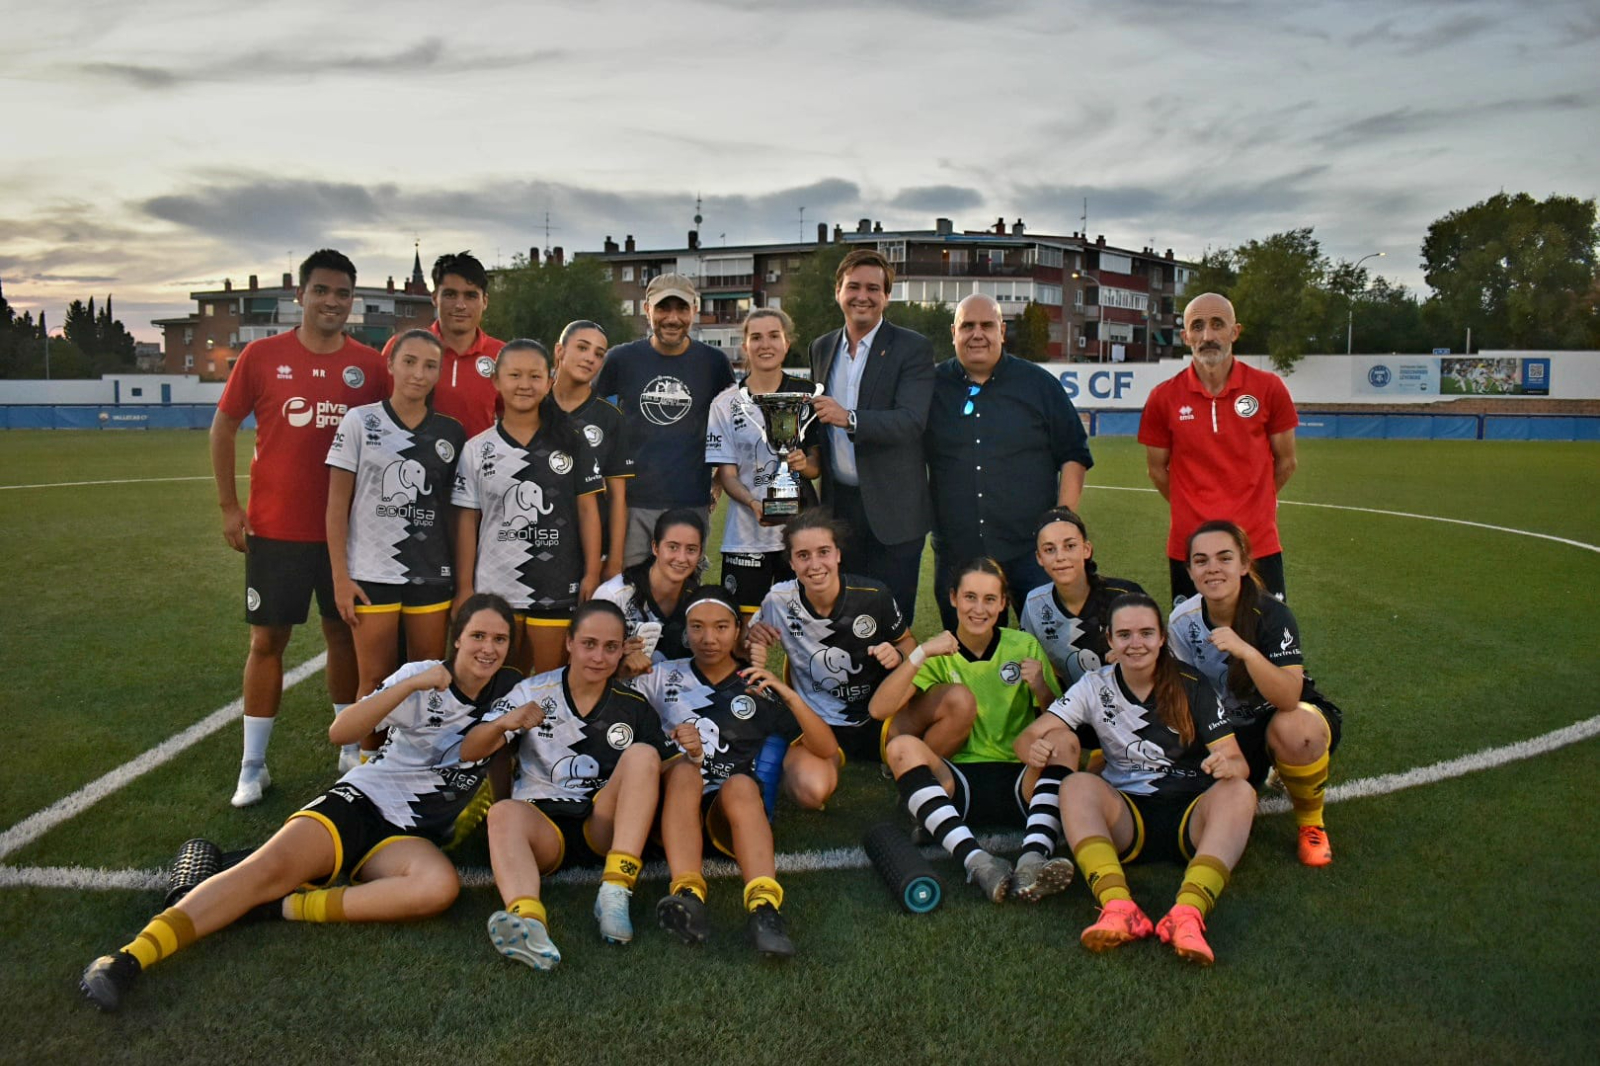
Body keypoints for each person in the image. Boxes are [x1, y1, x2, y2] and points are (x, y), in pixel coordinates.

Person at [79, 594, 524, 1011]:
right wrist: (412, 684)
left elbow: (498, 755)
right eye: (478, 636)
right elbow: (342, 732)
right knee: (266, 871)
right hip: (365, 800)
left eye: (499, 639)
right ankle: (128, 958)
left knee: (437, 889)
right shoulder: (424, 677)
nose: (488, 648)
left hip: (408, 834)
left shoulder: (511, 691)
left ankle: (277, 906)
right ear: (458, 638)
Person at [210, 248, 389, 807]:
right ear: (301, 295)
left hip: (348, 535)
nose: (332, 301)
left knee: (343, 634)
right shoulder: (262, 356)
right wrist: (229, 508)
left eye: (342, 293)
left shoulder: (372, 365)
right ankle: (253, 765)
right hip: (276, 530)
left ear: (352, 302)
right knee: (268, 640)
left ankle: (348, 753)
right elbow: (223, 428)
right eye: (322, 291)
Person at [1012, 592, 1257, 965]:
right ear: (1109, 640)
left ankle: (1188, 914)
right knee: (1076, 784)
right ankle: (1118, 907)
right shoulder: (1094, 685)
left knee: (1240, 791)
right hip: (1127, 817)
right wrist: (1032, 749)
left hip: (1192, 816)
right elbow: (1030, 736)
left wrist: (1227, 766)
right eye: (1124, 635)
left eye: (1146, 633)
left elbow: (1238, 763)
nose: (1136, 643)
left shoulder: (1192, 684)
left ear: (1162, 638)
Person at [460, 601, 669, 968]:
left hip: (602, 826)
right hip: (542, 827)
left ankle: (615, 891)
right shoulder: (530, 691)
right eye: (588, 644)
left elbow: (659, 774)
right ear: (569, 642)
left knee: (643, 756)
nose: (599, 657)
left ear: (623, 649)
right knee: (503, 811)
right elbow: (470, 749)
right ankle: (530, 926)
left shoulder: (633, 705)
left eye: (610, 647)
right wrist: (504, 723)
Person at [633, 586, 838, 958]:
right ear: (685, 631)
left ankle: (764, 908)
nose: (708, 638)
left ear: (738, 630)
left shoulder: (756, 685)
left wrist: (787, 693)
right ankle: (688, 895)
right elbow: (614, 720)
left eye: (721, 627)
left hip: (731, 819)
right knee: (684, 772)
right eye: (697, 627)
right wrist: (622, 667)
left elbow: (826, 750)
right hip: (673, 813)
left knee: (742, 783)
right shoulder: (661, 676)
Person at [876, 559, 1061, 903]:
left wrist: (1040, 688)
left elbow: (1060, 719)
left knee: (1064, 740)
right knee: (901, 747)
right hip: (957, 784)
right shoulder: (940, 654)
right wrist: (919, 653)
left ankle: (1033, 858)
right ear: (953, 599)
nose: (979, 609)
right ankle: (978, 863)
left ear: (1004, 603)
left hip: (1021, 782)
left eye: (990, 599)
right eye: (970, 597)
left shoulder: (1024, 646)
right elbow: (879, 710)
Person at [325, 328, 468, 769]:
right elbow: (336, 504)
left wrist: (462, 582)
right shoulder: (360, 422)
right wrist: (340, 577)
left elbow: (456, 514)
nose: (418, 373)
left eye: (430, 365)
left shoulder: (451, 432)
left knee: (427, 678)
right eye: (409, 362)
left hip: (431, 574)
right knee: (374, 678)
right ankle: (366, 766)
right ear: (390, 364)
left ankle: (417, 763)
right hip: (372, 573)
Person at [1167, 520, 1342, 867]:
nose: (1212, 568)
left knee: (1296, 731)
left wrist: (1246, 651)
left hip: (1281, 717)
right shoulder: (1181, 622)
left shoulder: (1273, 615)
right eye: (1201, 560)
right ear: (1189, 571)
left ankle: (1311, 824)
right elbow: (1186, 694)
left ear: (1244, 565)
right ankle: (1258, 772)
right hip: (1227, 730)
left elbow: (1289, 698)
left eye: (1224, 557)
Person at [924, 294, 1092, 631]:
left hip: (1030, 551)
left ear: (1002, 331)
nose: (977, 334)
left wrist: (1060, 523)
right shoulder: (929, 387)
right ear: (953, 332)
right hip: (958, 552)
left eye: (986, 325)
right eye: (967, 326)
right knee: (971, 657)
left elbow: (1074, 453)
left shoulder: (1039, 384)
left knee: (1050, 651)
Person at [746, 510, 917, 808]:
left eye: (823, 552)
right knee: (810, 792)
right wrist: (754, 641)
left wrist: (898, 653)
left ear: (837, 554)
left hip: (878, 715)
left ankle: (901, 764)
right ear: (791, 562)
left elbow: (908, 642)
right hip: (815, 725)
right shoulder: (778, 600)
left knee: (954, 702)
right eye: (803, 555)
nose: (814, 565)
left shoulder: (874, 595)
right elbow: (749, 642)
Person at [452, 340, 602, 675]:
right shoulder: (478, 449)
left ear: (549, 381)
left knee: (549, 683)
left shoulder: (572, 439)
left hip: (557, 582)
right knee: (499, 685)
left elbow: (588, 510)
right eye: (514, 375)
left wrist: (592, 572)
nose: (524, 384)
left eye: (534, 376)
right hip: (496, 585)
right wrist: (465, 586)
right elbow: (466, 521)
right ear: (496, 381)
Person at [1138, 292, 1298, 603]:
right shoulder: (1164, 397)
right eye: (1197, 327)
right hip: (1191, 545)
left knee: (1265, 641)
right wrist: (1190, 505)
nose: (1207, 336)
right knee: (1195, 645)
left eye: (1217, 325)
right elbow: (1157, 469)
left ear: (1234, 332)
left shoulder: (1269, 389)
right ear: (1185, 336)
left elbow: (1287, 462)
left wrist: (1256, 502)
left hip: (1257, 544)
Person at [807, 248, 934, 626]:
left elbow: (911, 421)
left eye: (873, 289)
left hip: (893, 512)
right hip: (839, 509)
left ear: (886, 296)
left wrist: (850, 419)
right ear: (838, 291)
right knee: (844, 617)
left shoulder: (912, 347)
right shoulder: (821, 346)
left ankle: (896, 687)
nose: (863, 296)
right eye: (854, 286)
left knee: (891, 621)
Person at [593, 273, 733, 566]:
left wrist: (717, 486)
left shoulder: (714, 363)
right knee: (629, 595)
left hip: (690, 503)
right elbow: (595, 426)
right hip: (632, 506)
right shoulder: (621, 359)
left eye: (681, 308)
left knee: (683, 599)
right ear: (647, 309)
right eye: (662, 308)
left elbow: (731, 432)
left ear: (695, 309)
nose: (672, 318)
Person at [706, 307, 822, 616]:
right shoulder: (725, 402)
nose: (765, 344)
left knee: (803, 632)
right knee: (743, 631)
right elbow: (727, 474)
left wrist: (801, 463)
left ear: (787, 343)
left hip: (800, 534)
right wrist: (752, 502)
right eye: (756, 337)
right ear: (745, 345)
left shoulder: (807, 396)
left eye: (774, 336)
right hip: (745, 538)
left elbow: (816, 466)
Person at [1018, 508, 1146, 688]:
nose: (1060, 557)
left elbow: (1165, 657)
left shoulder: (1127, 596)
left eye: (1070, 546)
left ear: (1086, 549)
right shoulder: (1035, 604)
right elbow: (1034, 664)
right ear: (1039, 558)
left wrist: (1138, 659)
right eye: (1049, 549)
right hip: (1073, 708)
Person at [381, 251, 504, 438]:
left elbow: (514, 422)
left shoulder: (503, 355)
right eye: (450, 295)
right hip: (409, 465)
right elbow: (376, 412)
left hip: (477, 466)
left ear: (484, 301)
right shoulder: (401, 347)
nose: (460, 305)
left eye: (470, 296)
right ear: (434, 298)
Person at [552, 320, 632, 579]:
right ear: (559, 351)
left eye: (598, 354)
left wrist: (615, 561)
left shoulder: (610, 417)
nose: (590, 358)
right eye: (582, 348)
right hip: (538, 542)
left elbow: (618, 497)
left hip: (593, 552)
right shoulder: (534, 405)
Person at [591, 507, 704, 676]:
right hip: (620, 694)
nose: (681, 558)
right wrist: (618, 659)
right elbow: (582, 665)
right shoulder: (614, 595)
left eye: (691, 550)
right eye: (673, 547)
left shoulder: (699, 601)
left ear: (700, 553)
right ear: (655, 547)